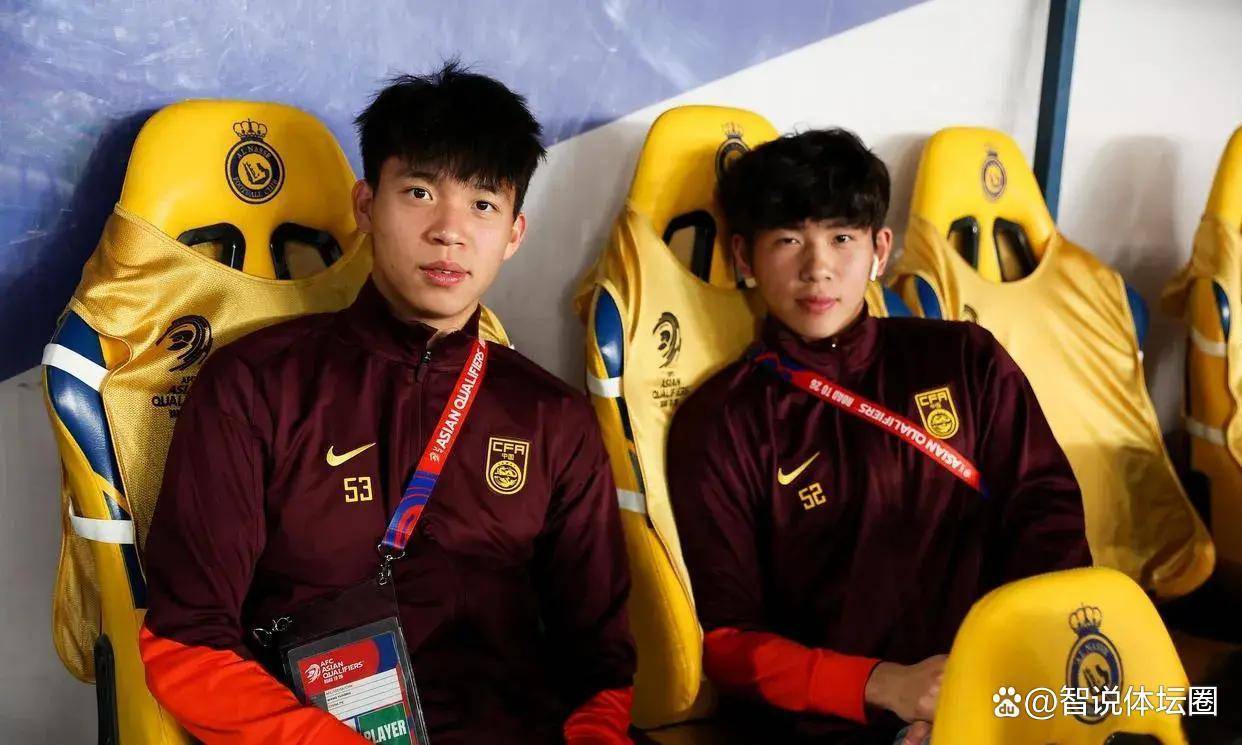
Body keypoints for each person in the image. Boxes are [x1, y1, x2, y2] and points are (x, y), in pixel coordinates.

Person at [139, 63, 636, 744]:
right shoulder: (253, 385)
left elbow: (601, 664)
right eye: (420, 192)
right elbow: (185, 641)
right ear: (366, 205)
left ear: (514, 234)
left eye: (483, 205)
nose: (449, 231)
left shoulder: (553, 417)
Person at [666, 128, 1090, 744]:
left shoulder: (966, 359)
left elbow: (1048, 517)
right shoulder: (720, 422)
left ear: (879, 249)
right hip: (829, 724)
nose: (818, 268)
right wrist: (887, 686)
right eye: (788, 240)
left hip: (1001, 695)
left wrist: (1000, 679)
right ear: (743, 258)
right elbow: (730, 643)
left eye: (842, 237)